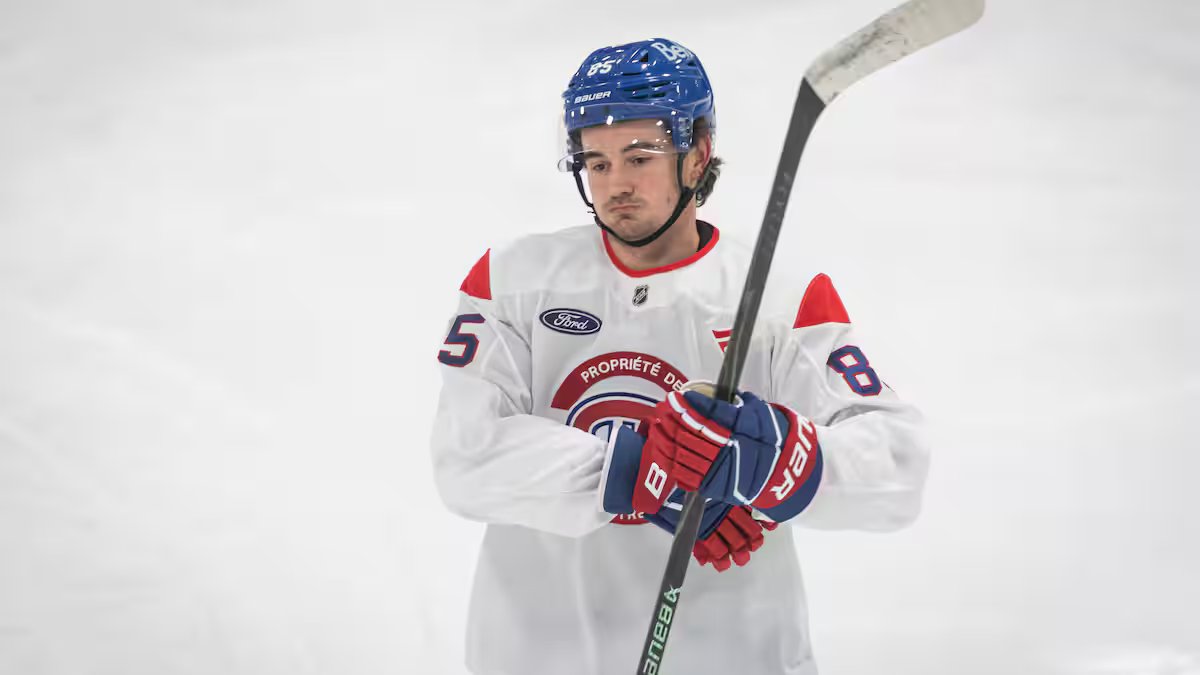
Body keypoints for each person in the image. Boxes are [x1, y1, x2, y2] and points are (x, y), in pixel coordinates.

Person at [431, 37, 929, 675]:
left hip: (732, 656)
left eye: (639, 157)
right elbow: (465, 456)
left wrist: (779, 461)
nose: (615, 184)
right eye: (596, 162)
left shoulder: (779, 296)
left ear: (698, 153)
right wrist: (642, 469)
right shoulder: (512, 280)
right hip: (542, 651)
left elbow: (897, 468)